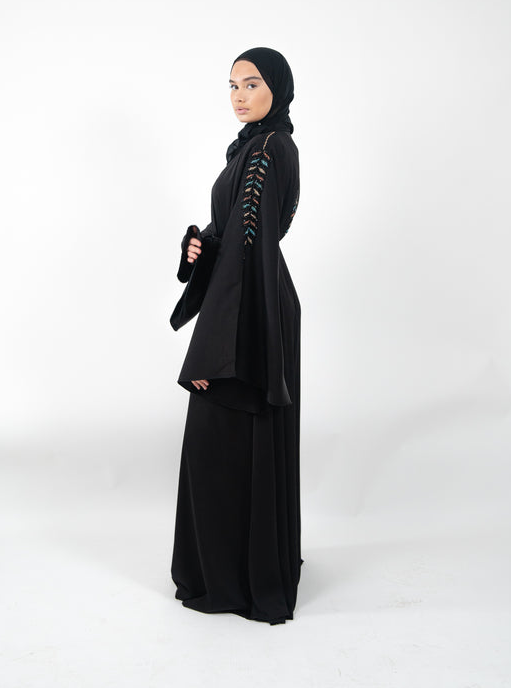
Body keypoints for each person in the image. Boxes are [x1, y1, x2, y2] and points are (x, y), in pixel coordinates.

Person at [170, 47, 303, 625]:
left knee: (219, 444)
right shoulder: (254, 148)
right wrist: (201, 244)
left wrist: (208, 353)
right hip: (254, 302)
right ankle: (251, 570)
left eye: (251, 84)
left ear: (278, 88)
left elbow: (250, 252)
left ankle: (238, 582)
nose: (239, 95)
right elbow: (236, 239)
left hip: (250, 312)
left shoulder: (268, 149)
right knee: (230, 446)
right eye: (232, 85)